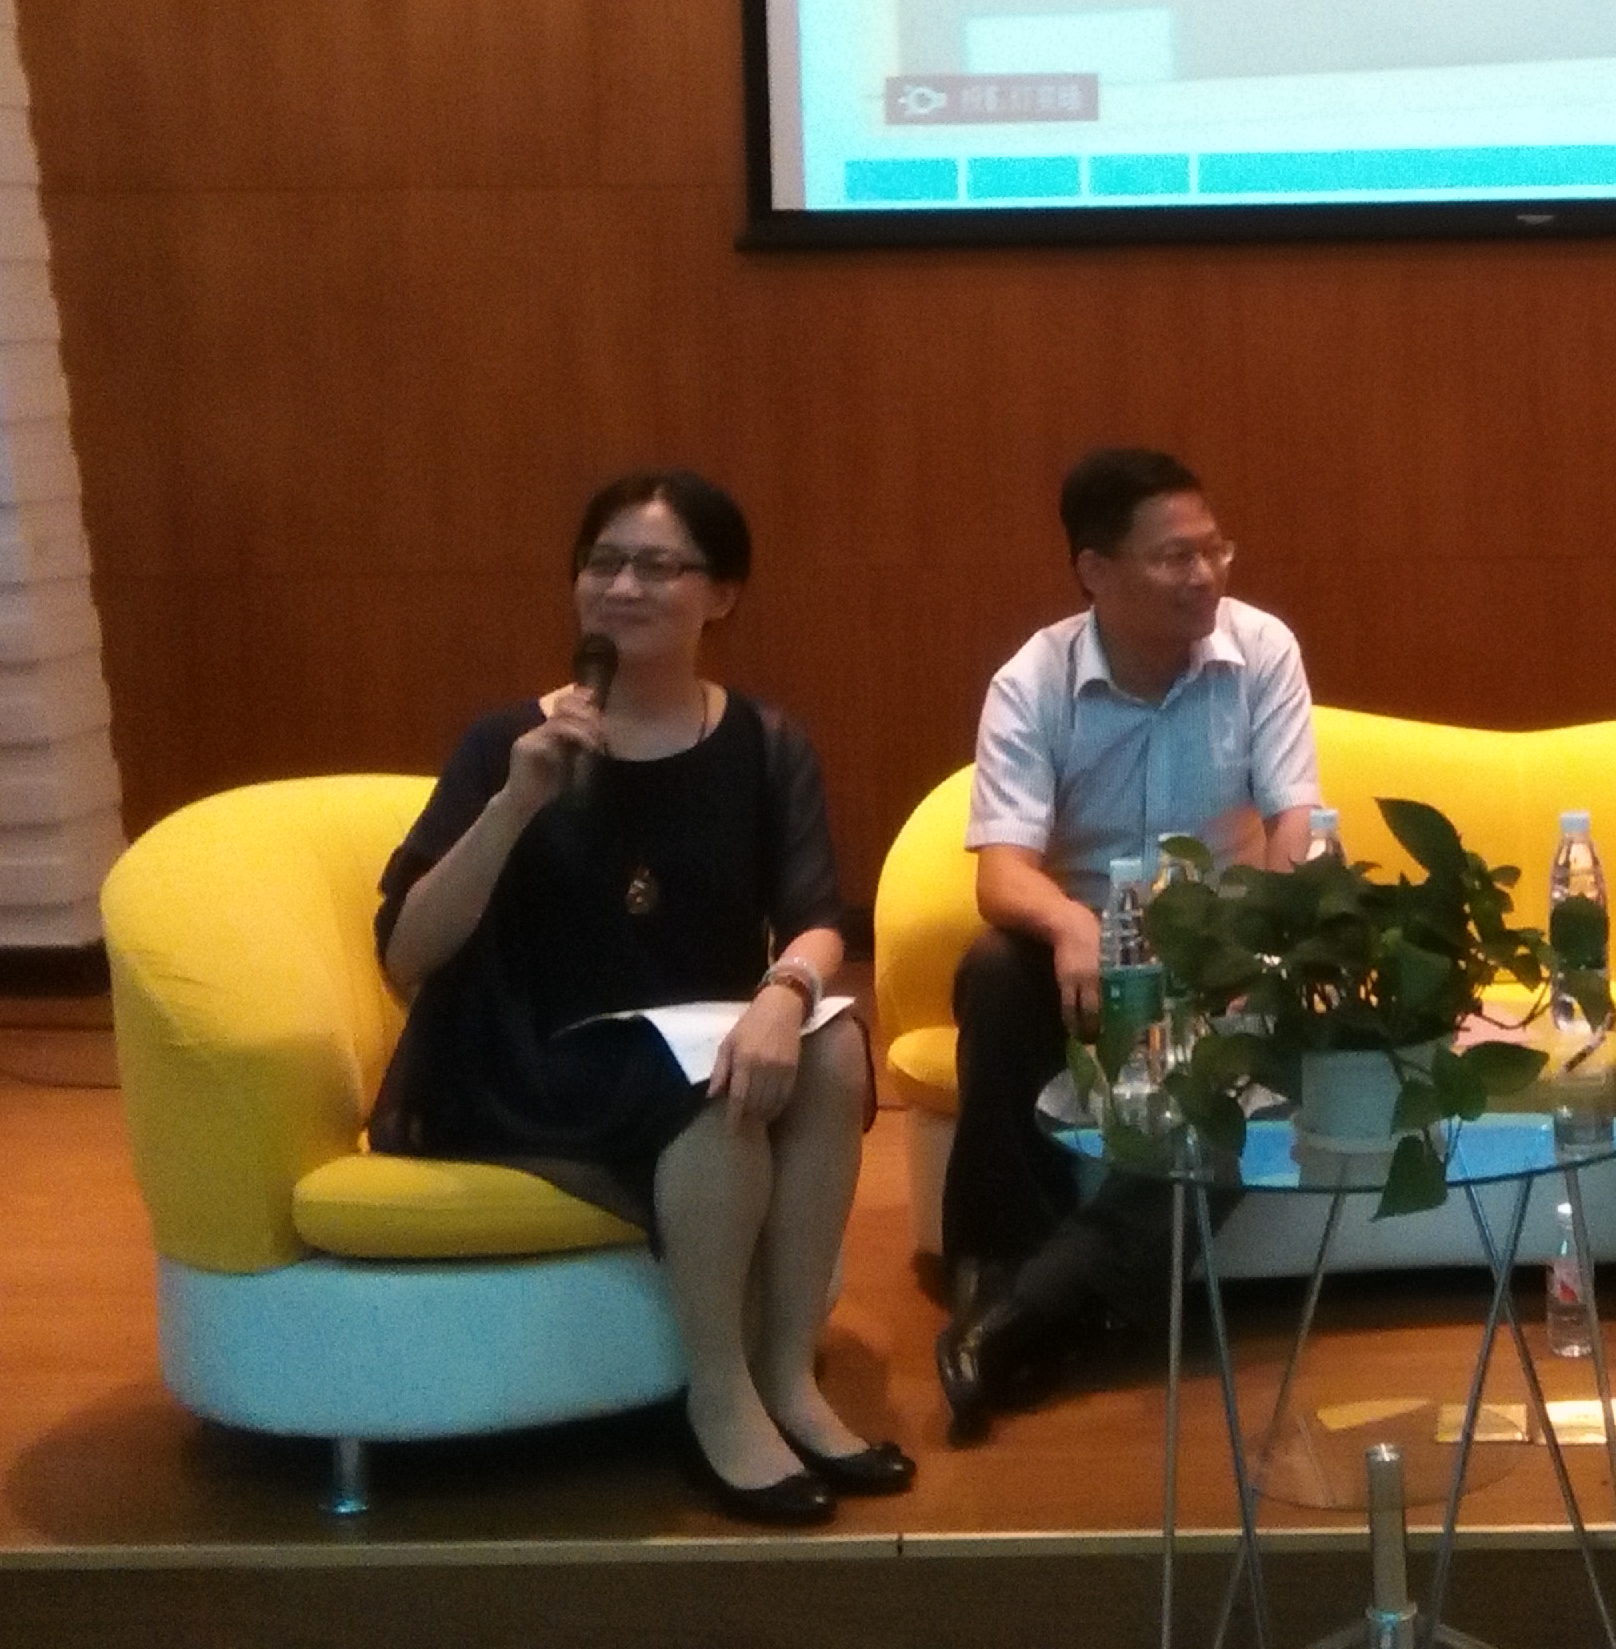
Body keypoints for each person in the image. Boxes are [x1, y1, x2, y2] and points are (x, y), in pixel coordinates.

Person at [371, 471, 904, 1528]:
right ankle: (720, 1399)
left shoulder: (766, 744)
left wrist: (785, 992)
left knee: (835, 1048)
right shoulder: (506, 742)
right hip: (529, 1050)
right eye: (602, 563)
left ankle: (789, 1372)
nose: (621, 587)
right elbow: (406, 951)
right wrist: (514, 803)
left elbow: (816, 916)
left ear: (721, 595)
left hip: (691, 1033)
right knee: (712, 1092)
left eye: (656, 567)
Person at [934, 447, 1322, 1441]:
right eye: (1174, 558)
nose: (1204, 576)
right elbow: (1000, 873)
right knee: (994, 972)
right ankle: (999, 1266)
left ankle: (1022, 1313)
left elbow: (1294, 825)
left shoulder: (1261, 650)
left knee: (1255, 1063)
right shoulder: (1034, 680)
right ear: (1096, 571)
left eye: (1214, 550)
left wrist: (1264, 945)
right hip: (1092, 968)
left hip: (1223, 958)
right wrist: (1072, 924)